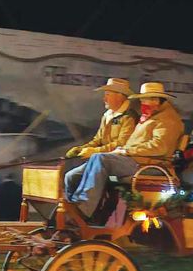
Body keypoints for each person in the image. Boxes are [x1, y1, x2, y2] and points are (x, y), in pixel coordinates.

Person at [64, 82, 185, 219]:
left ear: (156, 100)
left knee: (101, 158)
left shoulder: (167, 120)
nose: (142, 103)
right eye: (141, 99)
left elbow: (159, 147)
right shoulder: (150, 117)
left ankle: (83, 208)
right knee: (75, 174)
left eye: (145, 99)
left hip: (149, 165)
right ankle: (72, 209)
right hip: (134, 159)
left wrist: (126, 151)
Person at [65, 78, 139, 159]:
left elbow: (122, 143)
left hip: (118, 159)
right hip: (102, 157)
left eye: (108, 95)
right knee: (74, 172)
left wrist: (97, 150)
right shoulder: (107, 115)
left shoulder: (129, 116)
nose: (104, 99)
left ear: (120, 97)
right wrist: (81, 149)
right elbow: (98, 139)